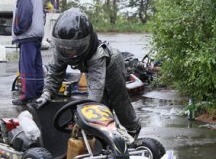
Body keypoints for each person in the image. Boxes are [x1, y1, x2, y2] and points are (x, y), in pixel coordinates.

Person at [36, 8, 141, 138]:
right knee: (103, 105)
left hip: (111, 64)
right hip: (91, 67)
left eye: (74, 48)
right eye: (66, 48)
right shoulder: (61, 50)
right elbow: (54, 74)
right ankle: (109, 135)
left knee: (118, 101)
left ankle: (133, 129)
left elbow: (95, 92)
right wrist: (46, 94)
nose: (70, 52)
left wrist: (82, 118)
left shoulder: (96, 55)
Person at [11, 0, 45, 105]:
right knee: (36, 64)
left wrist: (19, 29)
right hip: (37, 34)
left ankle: (27, 95)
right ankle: (38, 90)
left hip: (28, 35)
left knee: (26, 66)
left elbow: (25, 13)